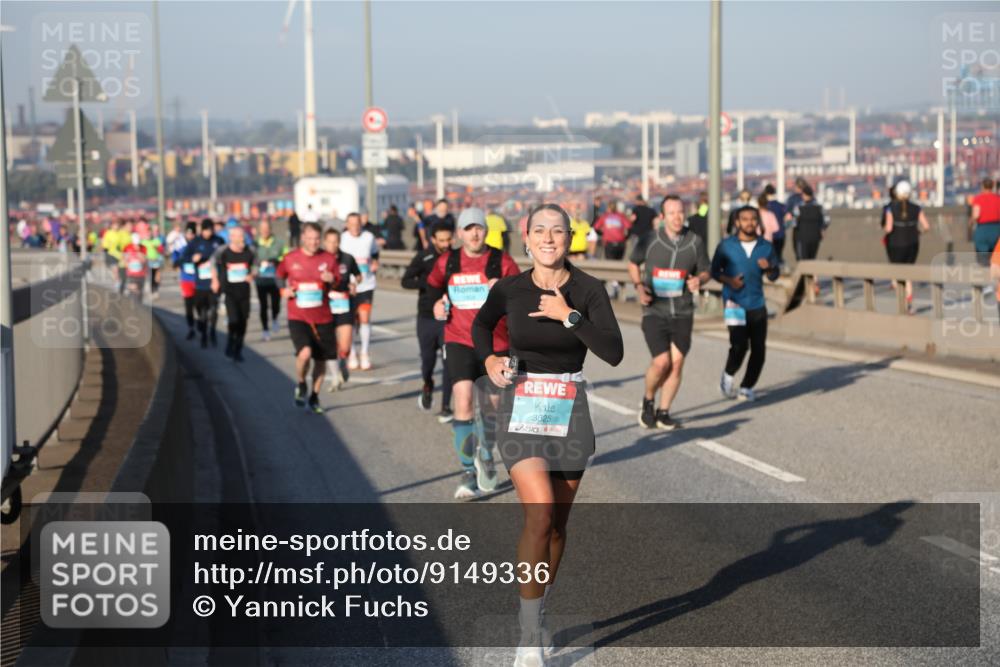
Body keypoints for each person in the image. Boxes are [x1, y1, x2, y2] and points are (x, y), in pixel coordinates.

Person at [472, 203, 623, 665]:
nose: (549, 238)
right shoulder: (510, 288)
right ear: (527, 236)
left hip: (570, 410)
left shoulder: (588, 289)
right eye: (540, 230)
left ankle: (540, 609)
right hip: (522, 405)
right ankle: (527, 632)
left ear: (570, 237)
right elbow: (481, 324)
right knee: (538, 516)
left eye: (558, 230)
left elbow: (614, 352)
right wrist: (489, 360)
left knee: (557, 526)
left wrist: (569, 316)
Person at [426, 207, 520, 499]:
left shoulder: (502, 261)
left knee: (491, 406)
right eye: (468, 228)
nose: (474, 233)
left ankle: (486, 456)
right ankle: (467, 471)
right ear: (459, 233)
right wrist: (436, 306)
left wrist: (503, 290)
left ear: (486, 231)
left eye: (479, 228)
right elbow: (431, 289)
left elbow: (520, 297)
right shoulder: (448, 261)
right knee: (464, 400)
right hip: (459, 339)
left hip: (496, 343)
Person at [629, 195, 710, 430]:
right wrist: (638, 286)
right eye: (672, 213)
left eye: (681, 212)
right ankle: (648, 400)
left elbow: (706, 270)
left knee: (677, 363)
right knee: (662, 361)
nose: (677, 217)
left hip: (683, 310)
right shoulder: (650, 240)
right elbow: (633, 263)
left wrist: (699, 280)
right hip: (654, 309)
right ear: (663, 217)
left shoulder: (695, 241)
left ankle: (664, 412)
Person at [712, 206, 780, 402]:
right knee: (739, 346)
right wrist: (730, 281)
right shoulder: (726, 246)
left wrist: (770, 268)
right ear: (737, 222)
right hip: (734, 303)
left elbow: (774, 276)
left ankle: (747, 387)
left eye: (753, 219)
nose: (749, 223)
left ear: (757, 222)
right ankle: (728, 375)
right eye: (745, 219)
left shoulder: (766, 247)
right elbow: (715, 271)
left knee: (759, 349)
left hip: (757, 304)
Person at [276, 222, 339, 414]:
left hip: (323, 316)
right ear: (303, 237)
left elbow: (338, 283)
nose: (313, 242)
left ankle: (314, 395)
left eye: (316, 239)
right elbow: (279, 275)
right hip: (298, 315)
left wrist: (333, 280)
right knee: (304, 353)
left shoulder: (328, 258)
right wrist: (283, 290)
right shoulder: (290, 258)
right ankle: (302, 382)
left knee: (321, 360)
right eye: (310, 238)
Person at [401, 224, 455, 421]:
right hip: (426, 316)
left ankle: (446, 407)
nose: (445, 244)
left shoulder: (457, 258)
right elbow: (405, 281)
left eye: (448, 239)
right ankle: (428, 384)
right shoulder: (423, 257)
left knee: (449, 362)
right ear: (433, 240)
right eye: (441, 240)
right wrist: (428, 282)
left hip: (450, 317)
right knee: (428, 361)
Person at [322, 228, 363, 392]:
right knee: (329, 343)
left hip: (344, 303)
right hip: (325, 305)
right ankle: (334, 377)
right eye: (330, 241)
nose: (333, 245)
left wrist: (355, 283)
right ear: (325, 242)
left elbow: (358, 275)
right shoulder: (320, 259)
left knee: (344, 345)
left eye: (336, 241)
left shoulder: (347, 258)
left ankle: (342, 362)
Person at [339, 212, 380, 370]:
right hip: (348, 286)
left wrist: (375, 262)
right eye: (352, 224)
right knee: (351, 321)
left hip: (366, 284)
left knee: (364, 318)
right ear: (347, 224)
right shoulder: (342, 238)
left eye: (358, 223)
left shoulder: (369, 237)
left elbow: (375, 253)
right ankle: (352, 353)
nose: (355, 227)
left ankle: (364, 352)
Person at [883, 180, 930, 311]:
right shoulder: (917, 208)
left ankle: (901, 302)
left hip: (896, 244)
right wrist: (918, 232)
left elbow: (888, 228)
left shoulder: (890, 208)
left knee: (898, 273)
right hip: (913, 244)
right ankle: (909, 300)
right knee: (908, 272)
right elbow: (926, 226)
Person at [212, 226, 256, 362]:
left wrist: (252, 274)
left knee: (243, 321)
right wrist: (215, 280)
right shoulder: (223, 251)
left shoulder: (250, 251)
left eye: (243, 236)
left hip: (244, 291)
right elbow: (213, 264)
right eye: (239, 236)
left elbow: (256, 265)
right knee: (233, 320)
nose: (242, 238)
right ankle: (230, 342)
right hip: (229, 291)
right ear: (231, 237)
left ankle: (238, 349)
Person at [181, 219, 226, 348]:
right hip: (200, 284)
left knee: (213, 309)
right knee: (201, 311)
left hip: (214, 282)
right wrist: (193, 259)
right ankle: (203, 333)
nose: (208, 233)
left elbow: (225, 257)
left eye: (210, 230)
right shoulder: (195, 242)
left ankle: (212, 332)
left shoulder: (218, 241)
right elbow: (184, 257)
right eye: (206, 230)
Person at [254, 220, 287, 341]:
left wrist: (276, 260)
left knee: (275, 304)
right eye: (262, 229)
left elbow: (286, 257)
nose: (265, 231)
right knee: (263, 305)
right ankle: (265, 330)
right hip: (261, 280)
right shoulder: (255, 244)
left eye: (267, 228)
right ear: (259, 230)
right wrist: (258, 265)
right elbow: (251, 259)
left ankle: (275, 318)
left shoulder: (279, 242)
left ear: (271, 229)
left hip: (275, 279)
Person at [789, 183, 827, 263]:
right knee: (812, 259)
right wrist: (822, 229)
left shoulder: (799, 207)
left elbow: (794, 223)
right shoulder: (819, 207)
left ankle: (805, 275)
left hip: (802, 237)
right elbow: (826, 220)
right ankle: (810, 274)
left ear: (804, 195)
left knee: (803, 260)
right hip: (815, 237)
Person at [174, 223, 198, 340]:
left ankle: (201, 325)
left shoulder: (199, 243)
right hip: (186, 279)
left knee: (199, 304)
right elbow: (175, 257)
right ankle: (191, 328)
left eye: (192, 233)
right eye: (188, 233)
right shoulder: (180, 243)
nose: (190, 236)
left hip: (199, 279)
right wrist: (178, 262)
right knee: (188, 305)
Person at [969, 178, 1000, 268]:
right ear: (992, 186)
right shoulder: (998, 199)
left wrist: (970, 222)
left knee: (983, 257)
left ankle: (983, 275)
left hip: (983, 229)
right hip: (997, 229)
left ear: (982, 186)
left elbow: (976, 215)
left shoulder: (978, 199)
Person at [762, 184, 787, 270]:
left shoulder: (764, 207)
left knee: (768, 256)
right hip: (780, 234)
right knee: (778, 255)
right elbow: (788, 218)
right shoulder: (781, 206)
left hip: (767, 236)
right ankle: (778, 271)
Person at [120, 233, 149, 300]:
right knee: (133, 289)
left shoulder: (143, 248)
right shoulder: (127, 247)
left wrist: (141, 256)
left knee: (140, 291)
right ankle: (132, 303)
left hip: (141, 273)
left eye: (137, 243)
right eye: (135, 243)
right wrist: (127, 262)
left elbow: (145, 260)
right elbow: (123, 258)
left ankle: (139, 305)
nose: (136, 245)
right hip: (131, 273)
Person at [140, 226, 166, 300]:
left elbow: (161, 249)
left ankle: (155, 290)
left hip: (155, 261)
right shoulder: (143, 242)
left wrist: (159, 251)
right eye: (147, 233)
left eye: (150, 233)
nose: (149, 234)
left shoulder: (156, 241)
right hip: (147, 262)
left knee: (156, 276)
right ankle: (150, 291)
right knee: (149, 277)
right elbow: (140, 251)